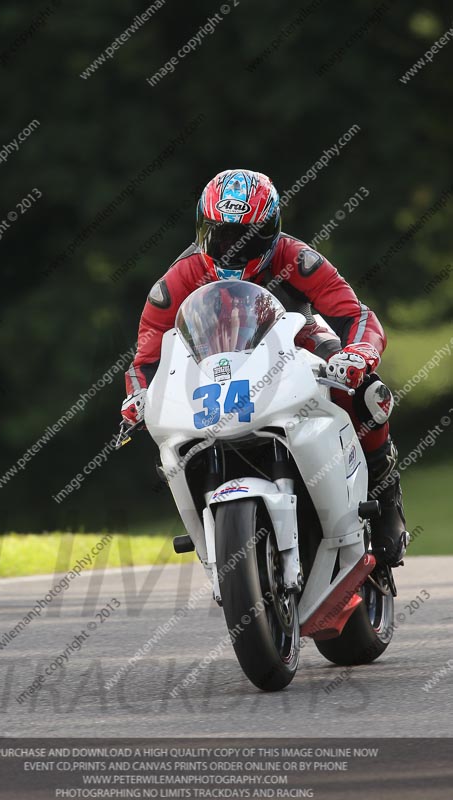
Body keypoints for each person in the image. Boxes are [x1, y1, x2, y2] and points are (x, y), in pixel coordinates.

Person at [121, 169, 408, 567]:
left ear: (271, 231)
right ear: (203, 231)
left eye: (247, 238)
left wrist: (357, 354)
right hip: (211, 361)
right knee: (166, 432)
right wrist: (138, 396)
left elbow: (353, 312)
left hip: (296, 340)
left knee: (366, 392)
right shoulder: (179, 277)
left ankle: (386, 493)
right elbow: (149, 347)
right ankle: (206, 519)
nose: (232, 250)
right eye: (220, 237)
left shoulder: (298, 258)